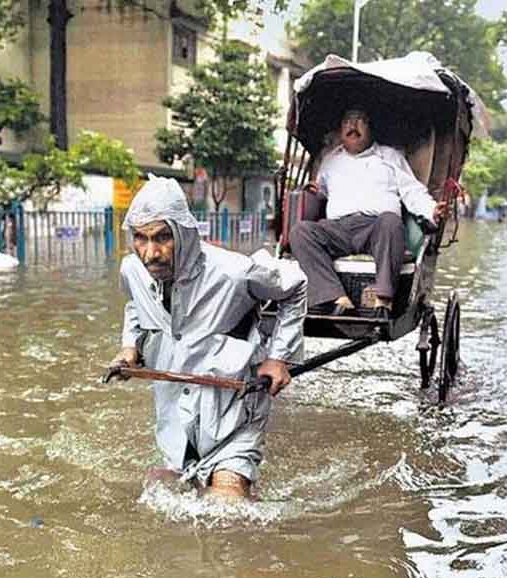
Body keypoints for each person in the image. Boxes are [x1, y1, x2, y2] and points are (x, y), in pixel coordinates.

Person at [106, 175, 307, 500]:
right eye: (140, 239)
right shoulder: (133, 270)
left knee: (226, 505)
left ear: (183, 234)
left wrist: (278, 358)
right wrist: (130, 347)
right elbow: (135, 306)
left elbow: (295, 286)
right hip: (174, 411)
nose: (150, 253)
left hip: (234, 409)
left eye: (162, 238)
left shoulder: (233, 272)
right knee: (166, 498)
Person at [289, 107, 446, 317]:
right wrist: (313, 192)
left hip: (377, 228)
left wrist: (432, 210)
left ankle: (383, 300)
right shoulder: (330, 160)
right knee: (300, 232)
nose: (352, 126)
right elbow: (321, 192)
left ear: (370, 128)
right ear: (340, 129)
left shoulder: (390, 156)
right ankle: (336, 297)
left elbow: (412, 192)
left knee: (390, 221)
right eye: (347, 121)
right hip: (338, 229)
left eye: (360, 120)